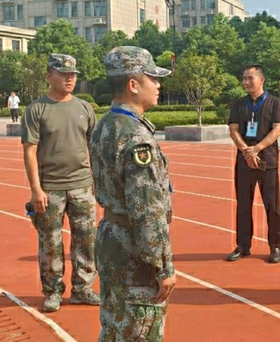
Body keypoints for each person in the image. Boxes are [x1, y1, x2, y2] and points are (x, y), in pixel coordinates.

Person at [90, 46, 176, 341]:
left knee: (115, 327)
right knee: (140, 330)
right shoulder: (137, 138)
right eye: (152, 78)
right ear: (133, 85)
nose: (158, 84)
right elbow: (147, 211)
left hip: (111, 239)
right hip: (134, 250)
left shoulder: (105, 125)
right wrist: (163, 267)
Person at [21, 54, 99, 313]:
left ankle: (83, 289)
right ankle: (53, 291)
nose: (70, 78)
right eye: (63, 74)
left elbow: (94, 147)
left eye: (73, 74)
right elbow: (30, 150)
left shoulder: (84, 108)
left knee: (86, 240)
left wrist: (98, 181)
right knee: (51, 243)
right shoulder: (36, 110)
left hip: (82, 185)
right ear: (49, 76)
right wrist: (36, 189)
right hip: (50, 188)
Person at [226, 64, 280, 264]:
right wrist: (246, 151)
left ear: (261, 80)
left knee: (272, 205)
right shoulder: (238, 104)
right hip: (244, 161)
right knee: (243, 205)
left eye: (250, 78)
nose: (246, 82)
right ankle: (243, 246)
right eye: (244, 78)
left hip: (267, 161)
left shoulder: (274, 103)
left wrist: (257, 148)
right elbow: (233, 130)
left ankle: (275, 246)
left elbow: (277, 129)